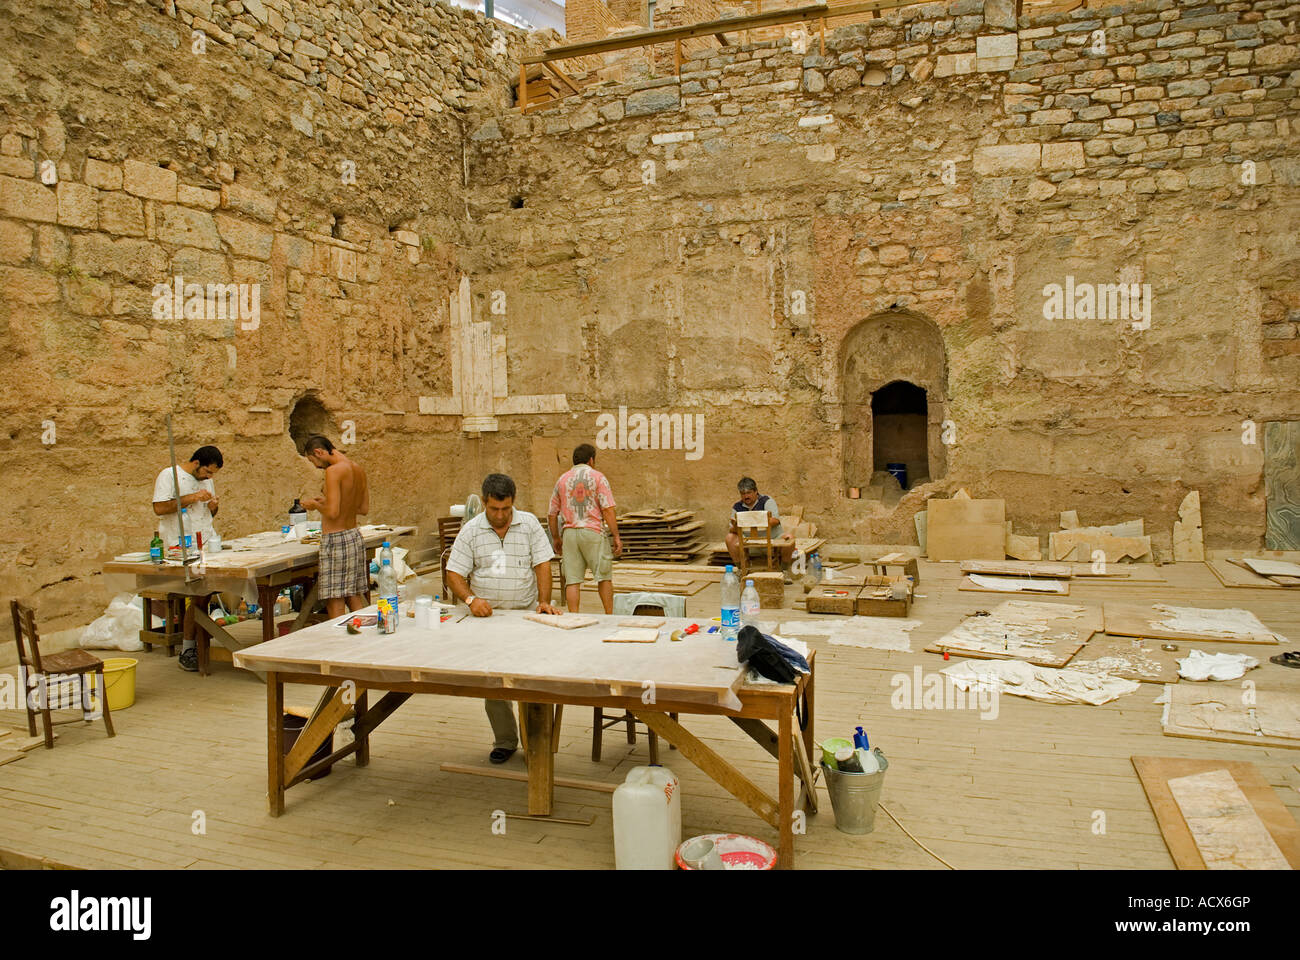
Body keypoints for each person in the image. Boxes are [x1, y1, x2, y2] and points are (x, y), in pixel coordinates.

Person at [445, 473, 559, 764]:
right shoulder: (471, 530)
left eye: (506, 509)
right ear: (484, 503)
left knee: (530, 679)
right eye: (494, 509)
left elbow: (542, 565)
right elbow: (454, 573)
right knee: (495, 682)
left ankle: (535, 743)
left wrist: (544, 601)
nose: (500, 515)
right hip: (489, 620)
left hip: (525, 615)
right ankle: (506, 740)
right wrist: (470, 600)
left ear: (513, 503)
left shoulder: (530, 524)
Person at [152, 445, 223, 672]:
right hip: (179, 545)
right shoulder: (169, 475)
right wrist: (192, 497)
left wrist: (213, 507)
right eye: (207, 472)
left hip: (205, 543)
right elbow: (160, 508)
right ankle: (189, 647)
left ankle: (196, 644)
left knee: (205, 594)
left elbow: (206, 514)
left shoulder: (206, 481)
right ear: (196, 464)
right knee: (195, 595)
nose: (209, 478)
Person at [301, 435, 370, 619]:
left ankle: (338, 642)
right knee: (353, 594)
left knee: (335, 599)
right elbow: (363, 509)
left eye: (312, 460)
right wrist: (330, 500)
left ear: (319, 452)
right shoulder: (357, 469)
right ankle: (366, 637)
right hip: (353, 535)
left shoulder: (333, 471)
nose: (316, 466)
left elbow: (332, 513)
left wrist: (315, 505)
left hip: (336, 539)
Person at [548, 443, 622, 614]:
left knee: (572, 580)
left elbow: (552, 514)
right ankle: (609, 615)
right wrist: (616, 536)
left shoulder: (562, 479)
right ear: (591, 460)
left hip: (570, 534)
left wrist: (556, 538)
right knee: (603, 577)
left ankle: (574, 616)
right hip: (593, 532)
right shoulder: (598, 477)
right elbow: (608, 509)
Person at [725, 476, 794, 571]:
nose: (746, 496)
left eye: (749, 493)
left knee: (789, 538)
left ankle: (784, 570)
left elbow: (775, 520)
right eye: (743, 494)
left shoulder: (766, 501)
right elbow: (732, 528)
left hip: (772, 539)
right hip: (749, 542)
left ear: (756, 491)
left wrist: (749, 522)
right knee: (730, 537)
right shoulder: (737, 507)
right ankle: (742, 569)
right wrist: (736, 526)